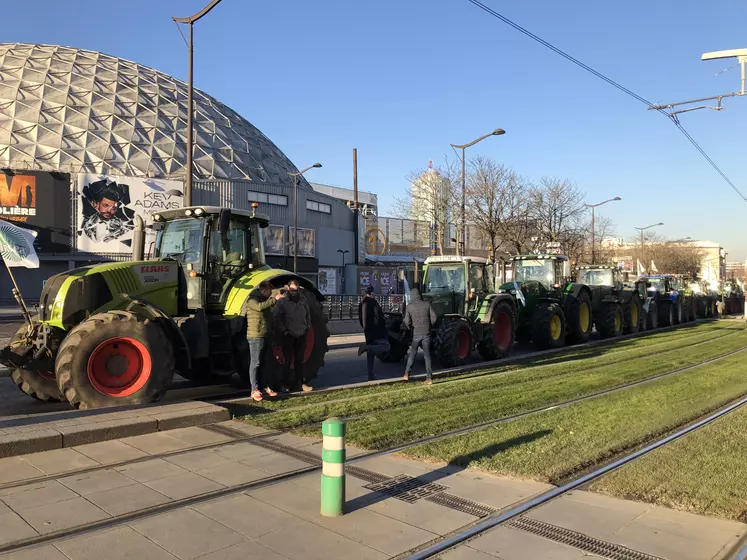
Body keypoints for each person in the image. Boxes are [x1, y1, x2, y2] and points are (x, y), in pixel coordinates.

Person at [243, 280, 284, 402]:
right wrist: (274, 299)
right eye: (269, 292)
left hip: (265, 335)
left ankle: (264, 386)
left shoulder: (263, 301)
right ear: (263, 290)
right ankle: (254, 389)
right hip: (255, 336)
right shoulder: (252, 300)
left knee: (265, 362)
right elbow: (259, 308)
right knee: (255, 363)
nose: (270, 294)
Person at [274, 279, 312, 392]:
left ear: (299, 289)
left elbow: (308, 315)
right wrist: (284, 331)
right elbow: (277, 318)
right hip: (288, 334)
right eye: (292, 290)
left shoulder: (303, 300)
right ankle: (284, 384)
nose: (294, 292)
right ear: (288, 289)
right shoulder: (282, 302)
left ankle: (300, 384)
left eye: (296, 290)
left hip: (301, 334)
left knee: (300, 360)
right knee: (287, 360)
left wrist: (307, 327)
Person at [402, 286, 437, 385]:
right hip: (426, 333)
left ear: (412, 296)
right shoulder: (427, 304)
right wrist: (429, 326)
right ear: (420, 295)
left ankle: (406, 374)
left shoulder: (410, 306)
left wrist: (410, 328)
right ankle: (429, 378)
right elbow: (434, 317)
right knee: (427, 356)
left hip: (416, 333)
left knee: (412, 353)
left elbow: (406, 321)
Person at [358, 285, 390, 381]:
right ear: (371, 293)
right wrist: (381, 325)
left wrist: (365, 328)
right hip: (377, 331)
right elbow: (378, 316)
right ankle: (366, 347)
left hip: (367, 331)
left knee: (370, 354)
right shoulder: (373, 302)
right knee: (386, 347)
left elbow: (360, 318)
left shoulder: (362, 303)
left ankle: (370, 375)